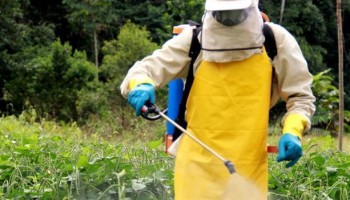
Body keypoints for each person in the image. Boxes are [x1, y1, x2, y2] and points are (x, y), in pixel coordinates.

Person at [120, 0, 315, 199]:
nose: (229, 19)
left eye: (235, 13)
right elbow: (145, 69)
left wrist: (293, 131)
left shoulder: (275, 40)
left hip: (247, 168)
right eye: (223, 14)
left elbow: (300, 96)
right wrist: (141, 84)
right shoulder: (194, 40)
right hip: (195, 169)